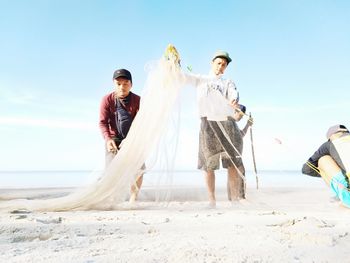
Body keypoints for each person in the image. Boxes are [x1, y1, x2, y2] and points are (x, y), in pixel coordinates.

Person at [182, 50, 243, 207]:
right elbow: (183, 76)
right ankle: (212, 200)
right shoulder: (200, 79)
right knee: (209, 165)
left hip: (227, 124)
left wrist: (234, 100)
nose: (221, 66)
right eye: (218, 63)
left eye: (224, 64)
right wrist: (173, 65)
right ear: (212, 63)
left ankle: (235, 200)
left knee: (232, 164)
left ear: (226, 67)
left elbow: (234, 94)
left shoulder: (228, 82)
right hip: (207, 123)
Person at [99, 68, 144, 203]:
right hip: (114, 139)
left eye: (125, 83)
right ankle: (112, 197)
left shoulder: (138, 100)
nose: (122, 87)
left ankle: (133, 198)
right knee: (111, 171)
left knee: (138, 169)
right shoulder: (107, 100)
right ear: (114, 84)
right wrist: (108, 139)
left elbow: (142, 123)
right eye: (118, 84)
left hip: (134, 138)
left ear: (131, 84)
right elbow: (102, 123)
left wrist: (133, 140)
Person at [302, 124, 350, 208]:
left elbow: (307, 169)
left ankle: (341, 196)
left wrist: (328, 173)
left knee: (323, 159)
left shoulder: (331, 143)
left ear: (331, 136)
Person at [226, 104, 254, 200]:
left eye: (242, 116)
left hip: (236, 154)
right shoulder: (228, 121)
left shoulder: (234, 123)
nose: (241, 118)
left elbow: (240, 135)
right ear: (235, 112)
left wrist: (248, 125)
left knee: (239, 173)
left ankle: (237, 197)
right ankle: (238, 198)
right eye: (240, 115)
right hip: (231, 153)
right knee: (238, 173)